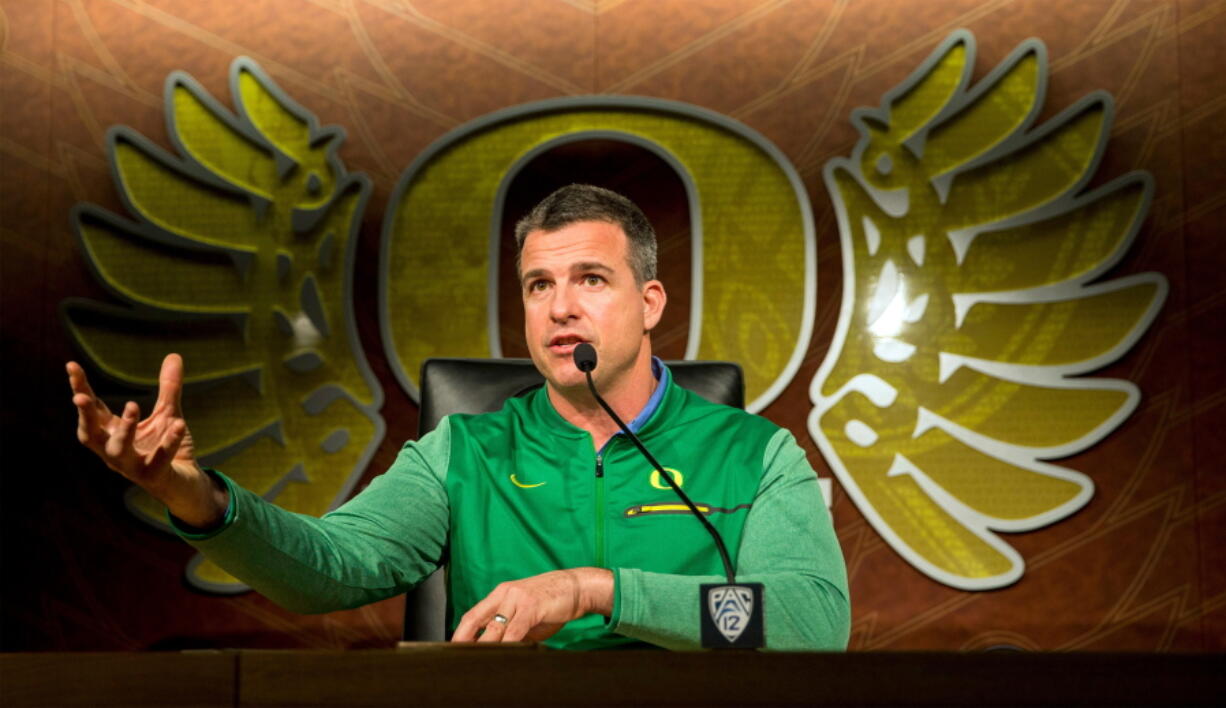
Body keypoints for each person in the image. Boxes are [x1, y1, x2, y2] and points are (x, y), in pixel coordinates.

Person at [68, 184, 849, 650]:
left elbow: (813, 622)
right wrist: (194, 499)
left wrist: (597, 589)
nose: (561, 306)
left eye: (590, 279)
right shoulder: (465, 452)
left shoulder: (756, 454)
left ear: (650, 304)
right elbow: (330, 568)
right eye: (539, 285)